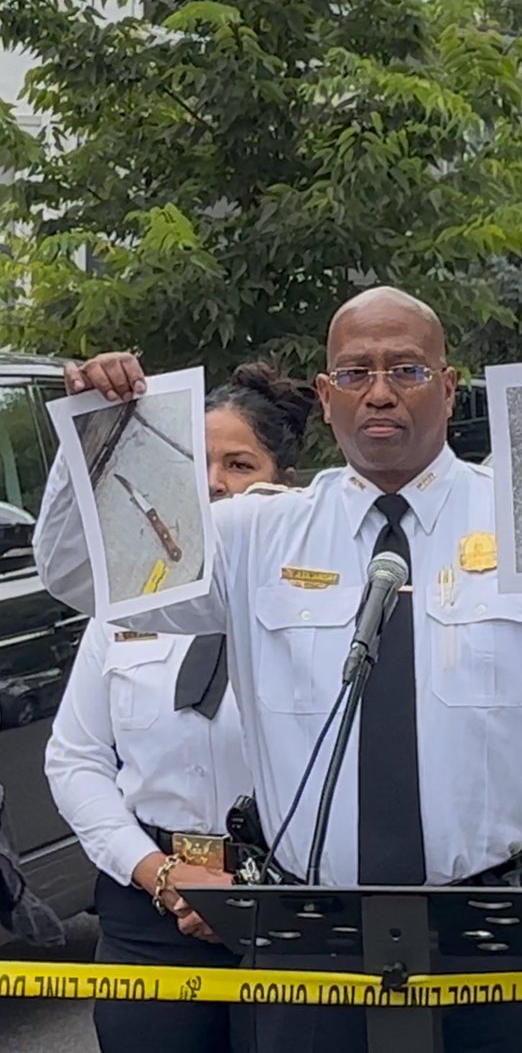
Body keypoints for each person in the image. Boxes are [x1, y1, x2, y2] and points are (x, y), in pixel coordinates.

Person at [35, 286, 522, 1053]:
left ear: (448, 385)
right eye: (356, 372)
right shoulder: (257, 533)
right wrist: (102, 436)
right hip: (312, 936)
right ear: (326, 397)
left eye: (406, 370)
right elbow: (86, 582)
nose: (380, 392)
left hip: (487, 933)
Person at [45, 362, 316, 1053]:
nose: (214, 483)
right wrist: (160, 874)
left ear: (282, 482)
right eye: (196, 463)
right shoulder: (130, 602)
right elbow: (75, 757)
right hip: (150, 916)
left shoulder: (319, 604)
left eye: (238, 462)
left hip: (293, 914)